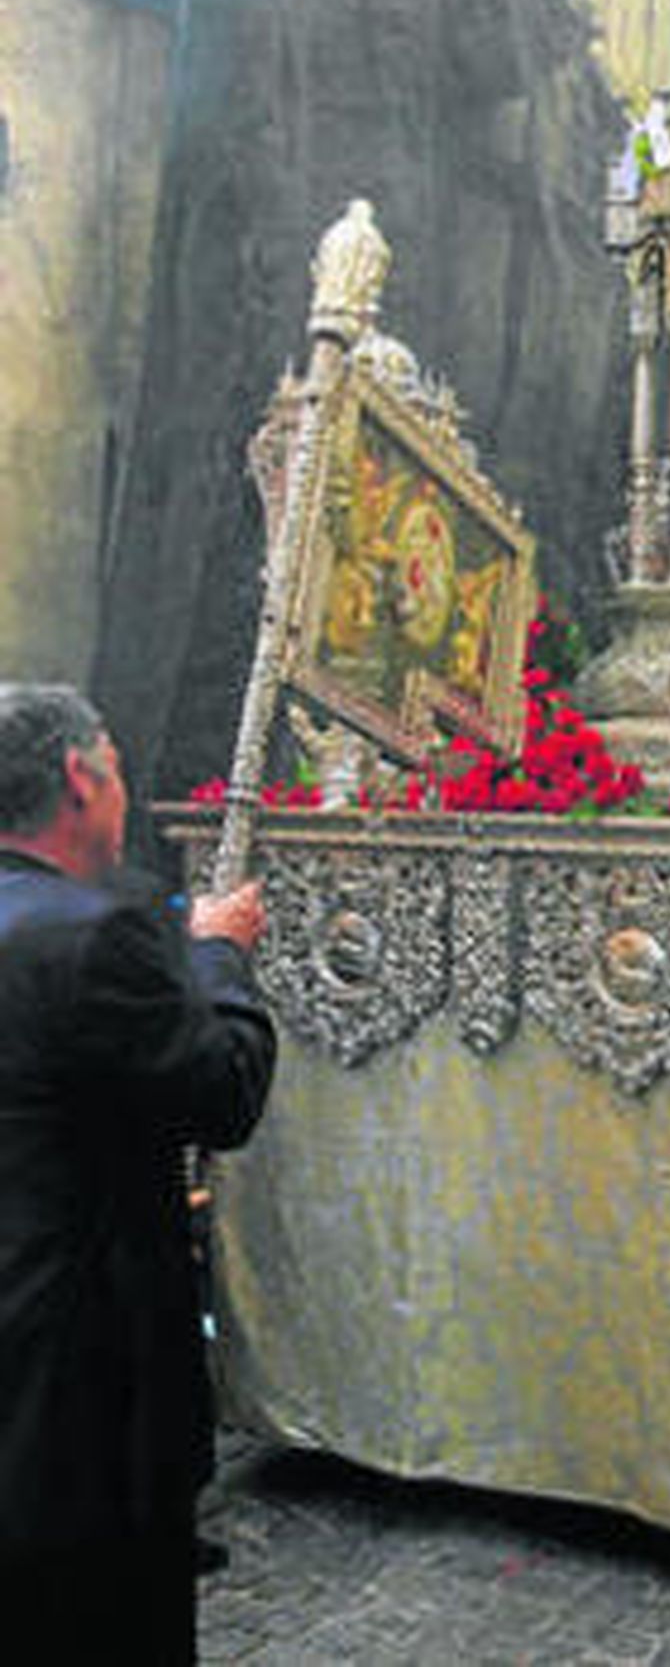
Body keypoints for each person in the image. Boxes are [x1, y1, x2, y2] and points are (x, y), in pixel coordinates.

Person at [0, 684, 276, 1664]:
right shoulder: (94, 940)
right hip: (80, 1389)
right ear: (81, 778)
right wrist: (218, 961)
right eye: (115, 768)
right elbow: (222, 1093)